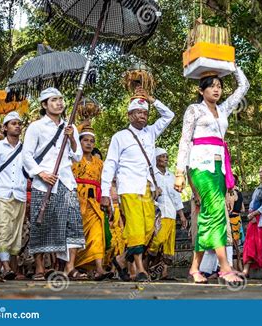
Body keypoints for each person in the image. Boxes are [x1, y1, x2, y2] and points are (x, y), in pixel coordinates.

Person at [174, 64, 249, 284]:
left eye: (219, 86)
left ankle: (195, 268)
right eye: (211, 86)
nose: (216, 90)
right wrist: (179, 171)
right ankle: (225, 267)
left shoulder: (224, 109)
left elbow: (244, 86)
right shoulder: (194, 110)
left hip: (220, 167)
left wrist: (232, 66)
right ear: (201, 90)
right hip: (200, 166)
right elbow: (185, 140)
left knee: (209, 214)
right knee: (215, 211)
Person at [100, 88, 174, 282]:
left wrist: (152, 99)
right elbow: (110, 164)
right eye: (139, 113)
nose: (143, 116)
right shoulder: (120, 136)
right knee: (135, 228)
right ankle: (140, 269)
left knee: (149, 228)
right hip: (128, 188)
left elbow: (169, 115)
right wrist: (105, 190)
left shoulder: (151, 132)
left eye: (145, 113)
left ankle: (122, 259)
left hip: (147, 189)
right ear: (130, 115)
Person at [22, 87, 86, 281]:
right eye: (53, 100)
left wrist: (73, 138)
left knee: (74, 223)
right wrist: (41, 173)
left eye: (60, 99)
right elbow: (26, 156)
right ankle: (40, 268)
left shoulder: (71, 126)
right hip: (44, 183)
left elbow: (77, 156)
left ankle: (70, 267)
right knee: (42, 224)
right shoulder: (36, 127)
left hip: (66, 182)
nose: (59, 103)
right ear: (44, 105)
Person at [0, 111, 27, 280]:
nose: (17, 126)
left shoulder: (26, 148)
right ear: (5, 127)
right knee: (2, 230)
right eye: (13, 123)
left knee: (16, 233)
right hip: (1, 194)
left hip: (20, 195)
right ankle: (6, 267)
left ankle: (11, 269)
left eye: (19, 123)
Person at [72, 124, 110, 280]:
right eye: (85, 140)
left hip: (94, 202)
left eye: (91, 141)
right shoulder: (73, 159)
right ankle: (73, 266)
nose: (88, 143)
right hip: (76, 200)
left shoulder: (99, 163)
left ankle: (100, 268)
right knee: (76, 235)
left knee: (97, 234)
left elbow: (104, 182)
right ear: (79, 142)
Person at [147, 148, 187, 279]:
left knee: (168, 245)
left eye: (166, 156)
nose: (165, 159)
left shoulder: (171, 176)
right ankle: (146, 266)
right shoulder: (151, 175)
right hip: (158, 213)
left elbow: (176, 197)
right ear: (156, 159)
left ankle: (164, 273)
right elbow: (148, 194)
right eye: (163, 156)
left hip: (171, 213)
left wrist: (181, 215)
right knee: (158, 240)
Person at [242, 165, 262, 277]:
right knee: (249, 244)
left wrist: (255, 214)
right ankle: (246, 270)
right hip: (254, 218)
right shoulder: (258, 188)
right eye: (260, 172)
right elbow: (252, 203)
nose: (260, 174)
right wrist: (252, 215)